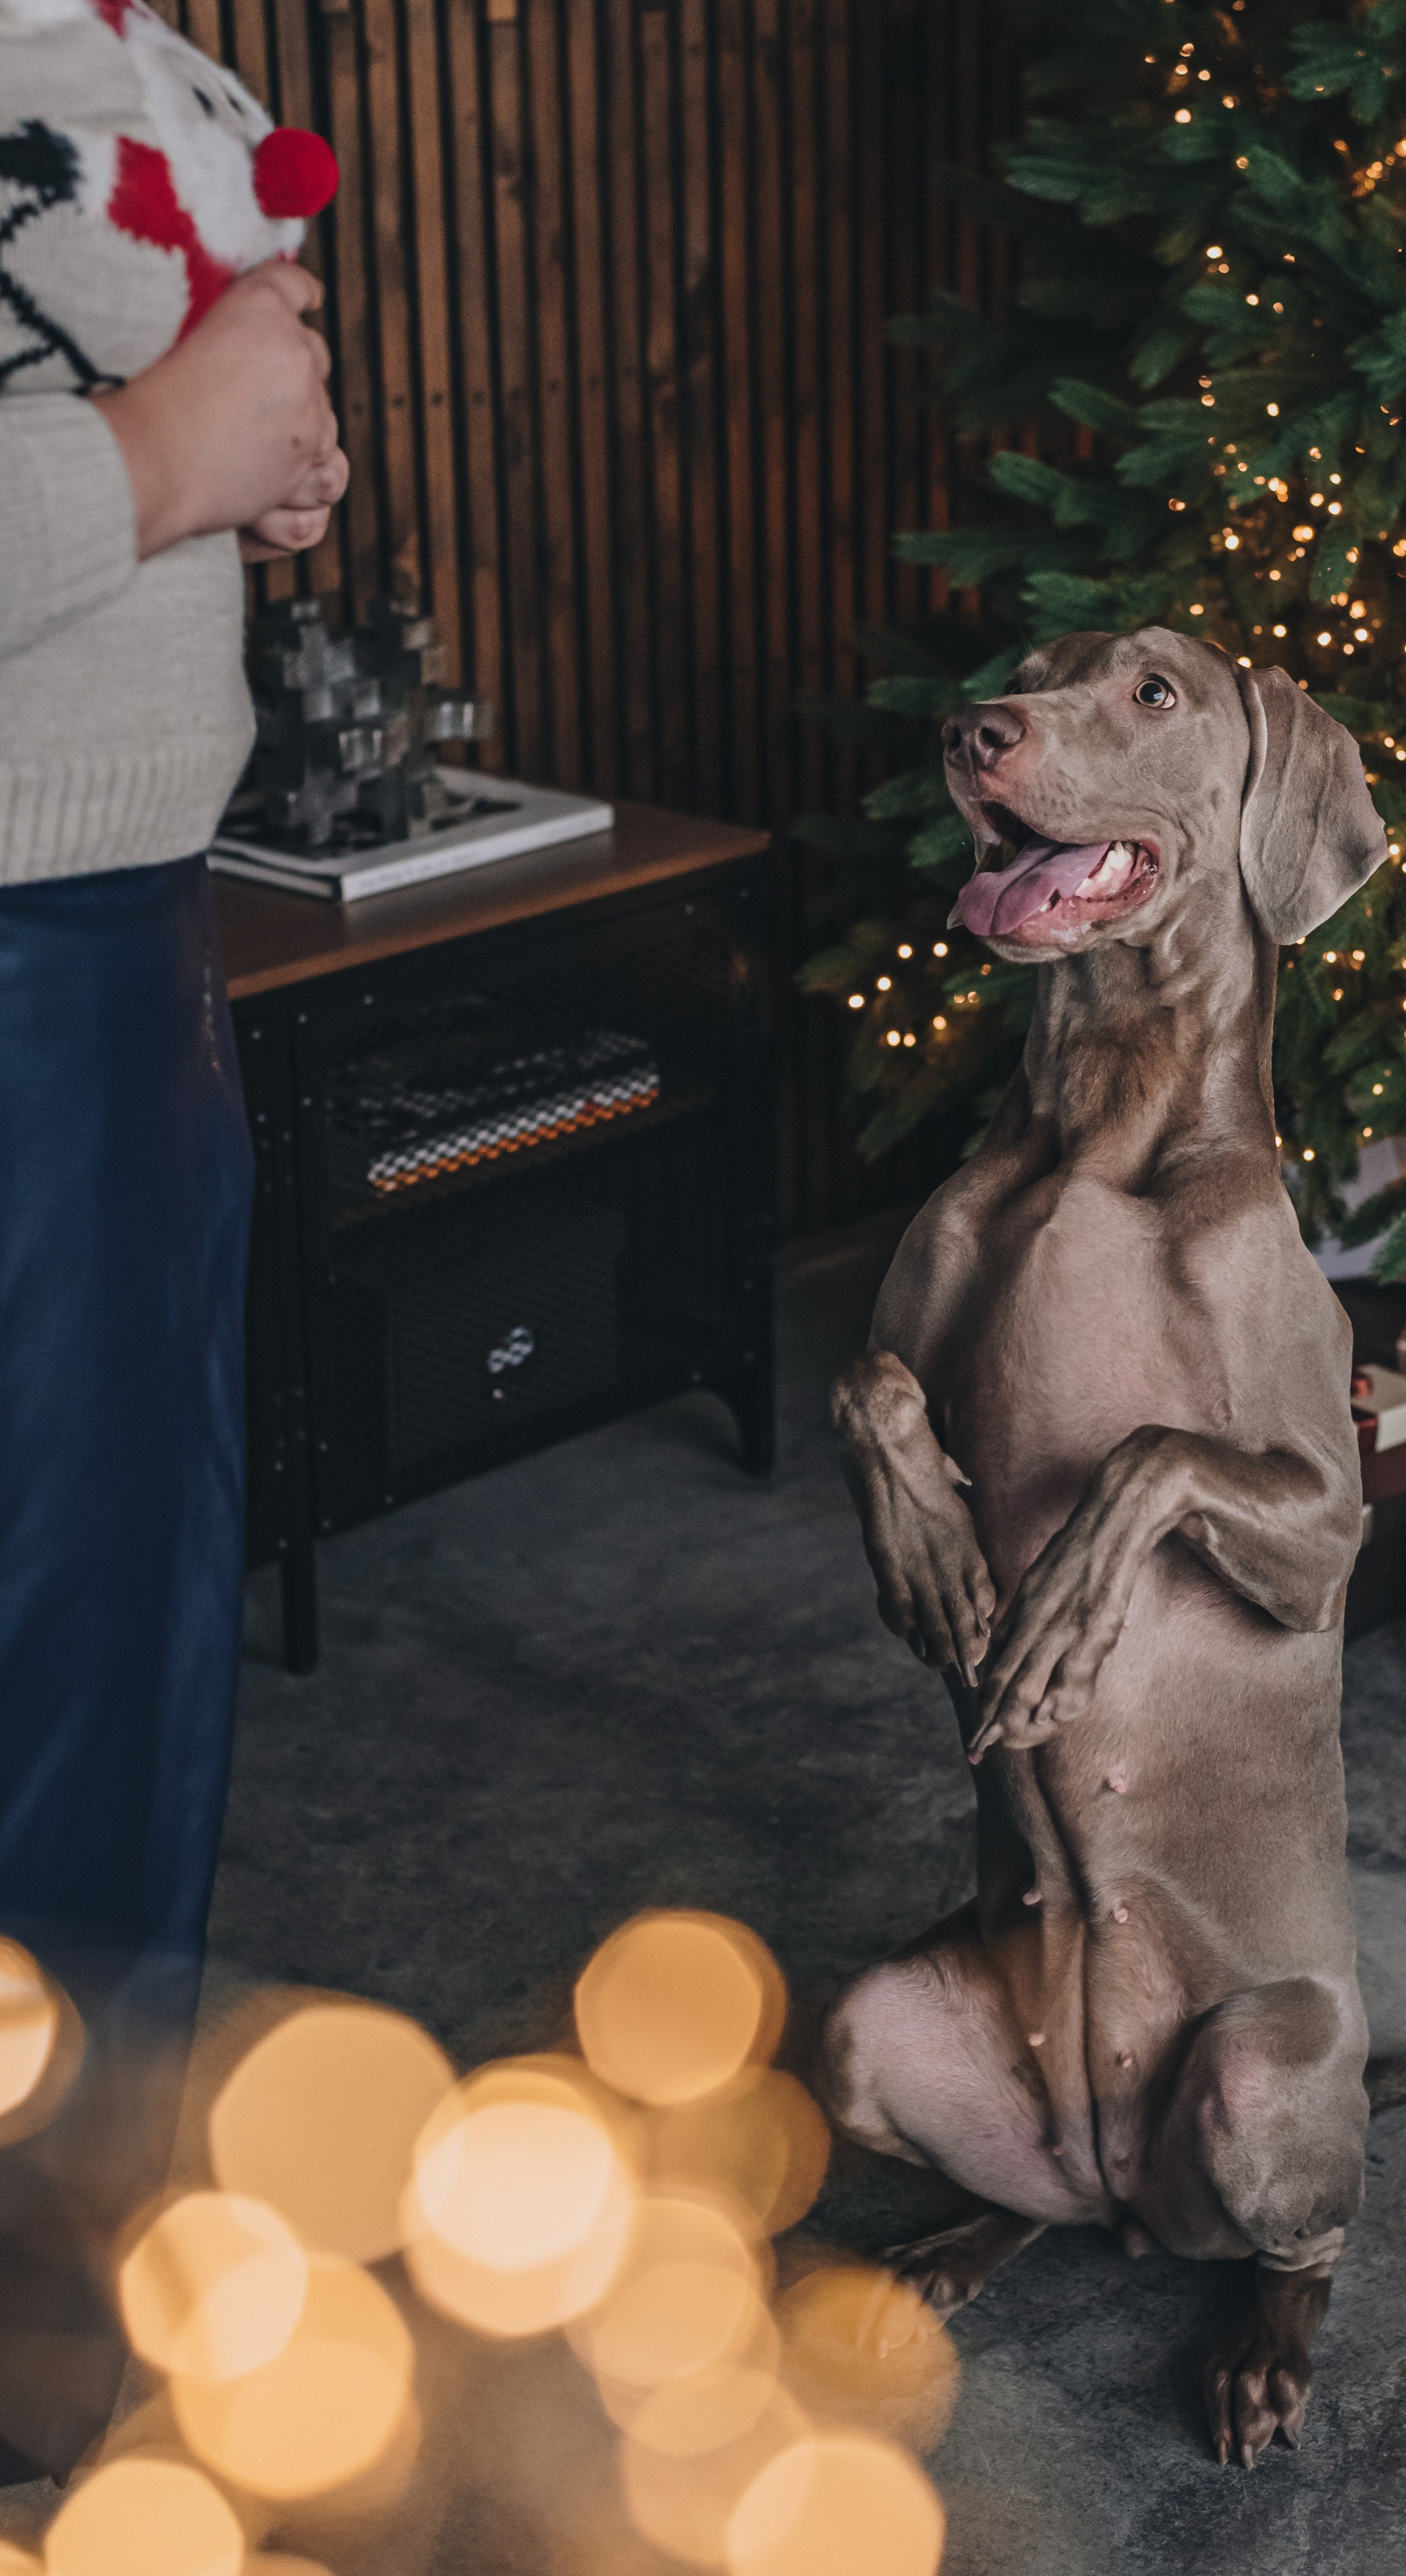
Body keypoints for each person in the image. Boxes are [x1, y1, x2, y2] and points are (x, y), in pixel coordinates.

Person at [0, 5, 347, 2484]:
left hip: (126, 934)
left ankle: (45, 2318)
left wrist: (261, 456)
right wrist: (153, 462)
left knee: (116, 1656)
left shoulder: (138, 40)